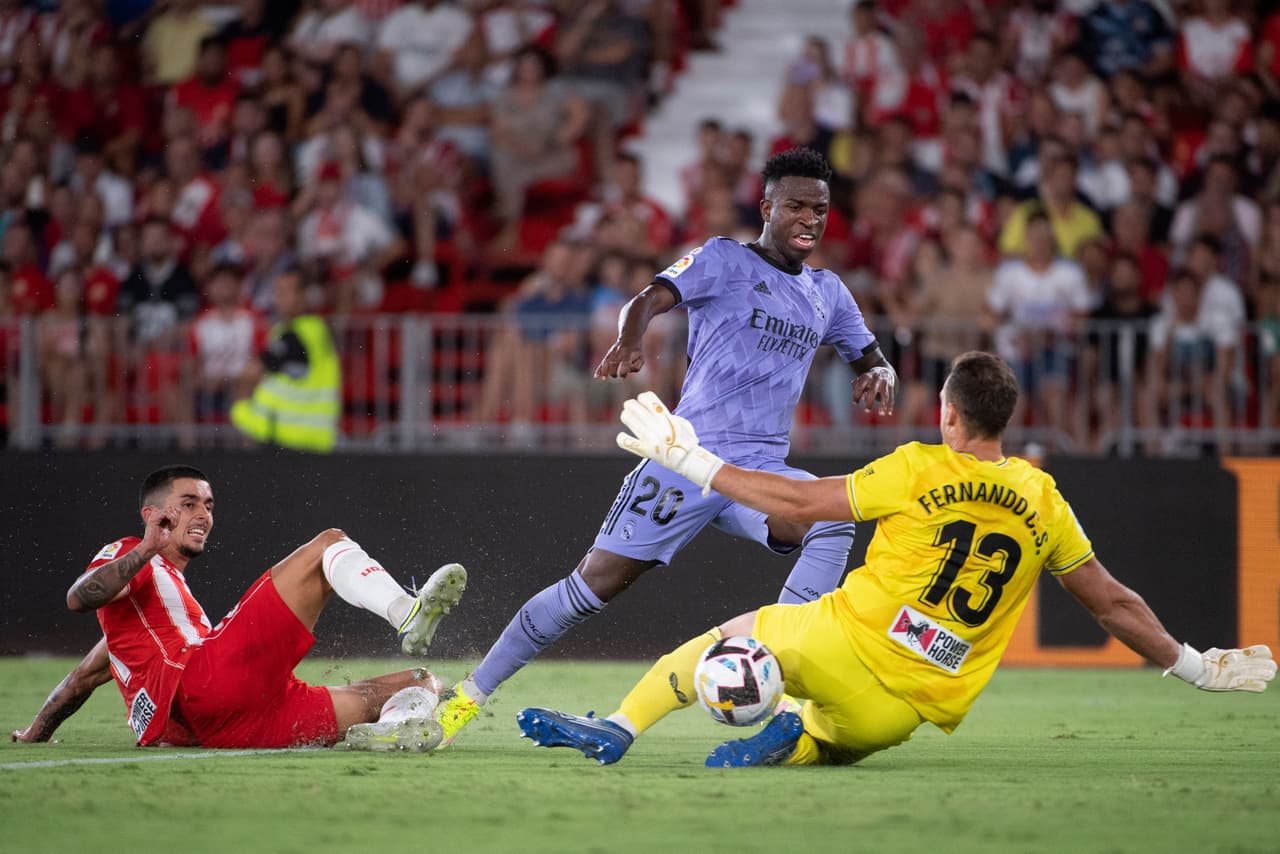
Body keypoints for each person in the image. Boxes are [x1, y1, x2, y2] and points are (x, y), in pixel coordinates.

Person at [515, 352, 1276, 767]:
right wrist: (1198, 666)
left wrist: (695, 461)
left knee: (724, 640)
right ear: (1005, 420)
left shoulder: (920, 466)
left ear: (949, 414)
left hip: (842, 642)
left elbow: (802, 506)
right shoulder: (1045, 500)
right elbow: (1112, 603)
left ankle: (620, 726)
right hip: (912, 704)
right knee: (838, 740)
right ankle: (802, 743)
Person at [433, 147, 897, 743]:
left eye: (821, 210)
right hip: (686, 457)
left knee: (831, 520)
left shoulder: (827, 292)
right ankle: (464, 701)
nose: (811, 219)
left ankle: (778, 692)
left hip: (756, 471)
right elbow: (649, 297)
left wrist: (880, 373)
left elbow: (872, 356)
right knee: (592, 585)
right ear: (767, 208)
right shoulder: (723, 259)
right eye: (797, 207)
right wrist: (630, 339)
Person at [10, 465, 468, 751]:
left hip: (232, 724)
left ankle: (397, 731)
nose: (203, 515)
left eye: (207, 505)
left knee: (419, 680)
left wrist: (37, 732)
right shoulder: (132, 554)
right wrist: (146, 548)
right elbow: (78, 597)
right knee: (327, 546)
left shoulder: (150, 624)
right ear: (152, 515)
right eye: (187, 504)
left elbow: (83, 678)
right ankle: (405, 612)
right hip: (206, 686)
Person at [230, 268, 340, 453]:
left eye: (285, 291)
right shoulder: (286, 330)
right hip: (287, 439)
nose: (278, 298)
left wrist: (241, 411)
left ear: (303, 296)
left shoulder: (305, 331)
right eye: (277, 291)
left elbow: (252, 371)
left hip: (297, 442)